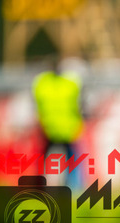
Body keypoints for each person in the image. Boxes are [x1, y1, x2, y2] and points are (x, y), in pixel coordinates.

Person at [32, 58, 85, 186]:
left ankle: (39, 183)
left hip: (48, 128)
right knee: (72, 159)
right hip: (68, 128)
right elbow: (79, 104)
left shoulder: (42, 84)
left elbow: (37, 105)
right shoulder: (71, 84)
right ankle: (74, 185)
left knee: (42, 158)